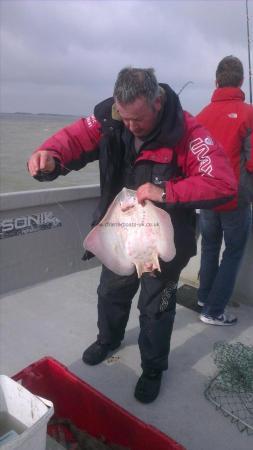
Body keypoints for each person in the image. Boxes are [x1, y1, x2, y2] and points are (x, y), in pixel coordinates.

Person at [27, 67, 237, 403]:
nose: (130, 126)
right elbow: (75, 138)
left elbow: (223, 183)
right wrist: (50, 155)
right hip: (120, 232)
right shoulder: (110, 118)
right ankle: (108, 339)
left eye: (137, 119)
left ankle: (153, 369)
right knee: (111, 292)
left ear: (157, 103)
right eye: (124, 118)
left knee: (156, 307)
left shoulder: (189, 132)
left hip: (161, 240)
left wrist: (165, 191)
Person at [196, 56, 253, 326]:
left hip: (206, 198)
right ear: (241, 81)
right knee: (233, 251)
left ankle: (203, 297)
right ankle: (214, 310)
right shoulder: (249, 113)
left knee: (209, 247)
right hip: (234, 200)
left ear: (216, 80)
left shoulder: (201, 115)